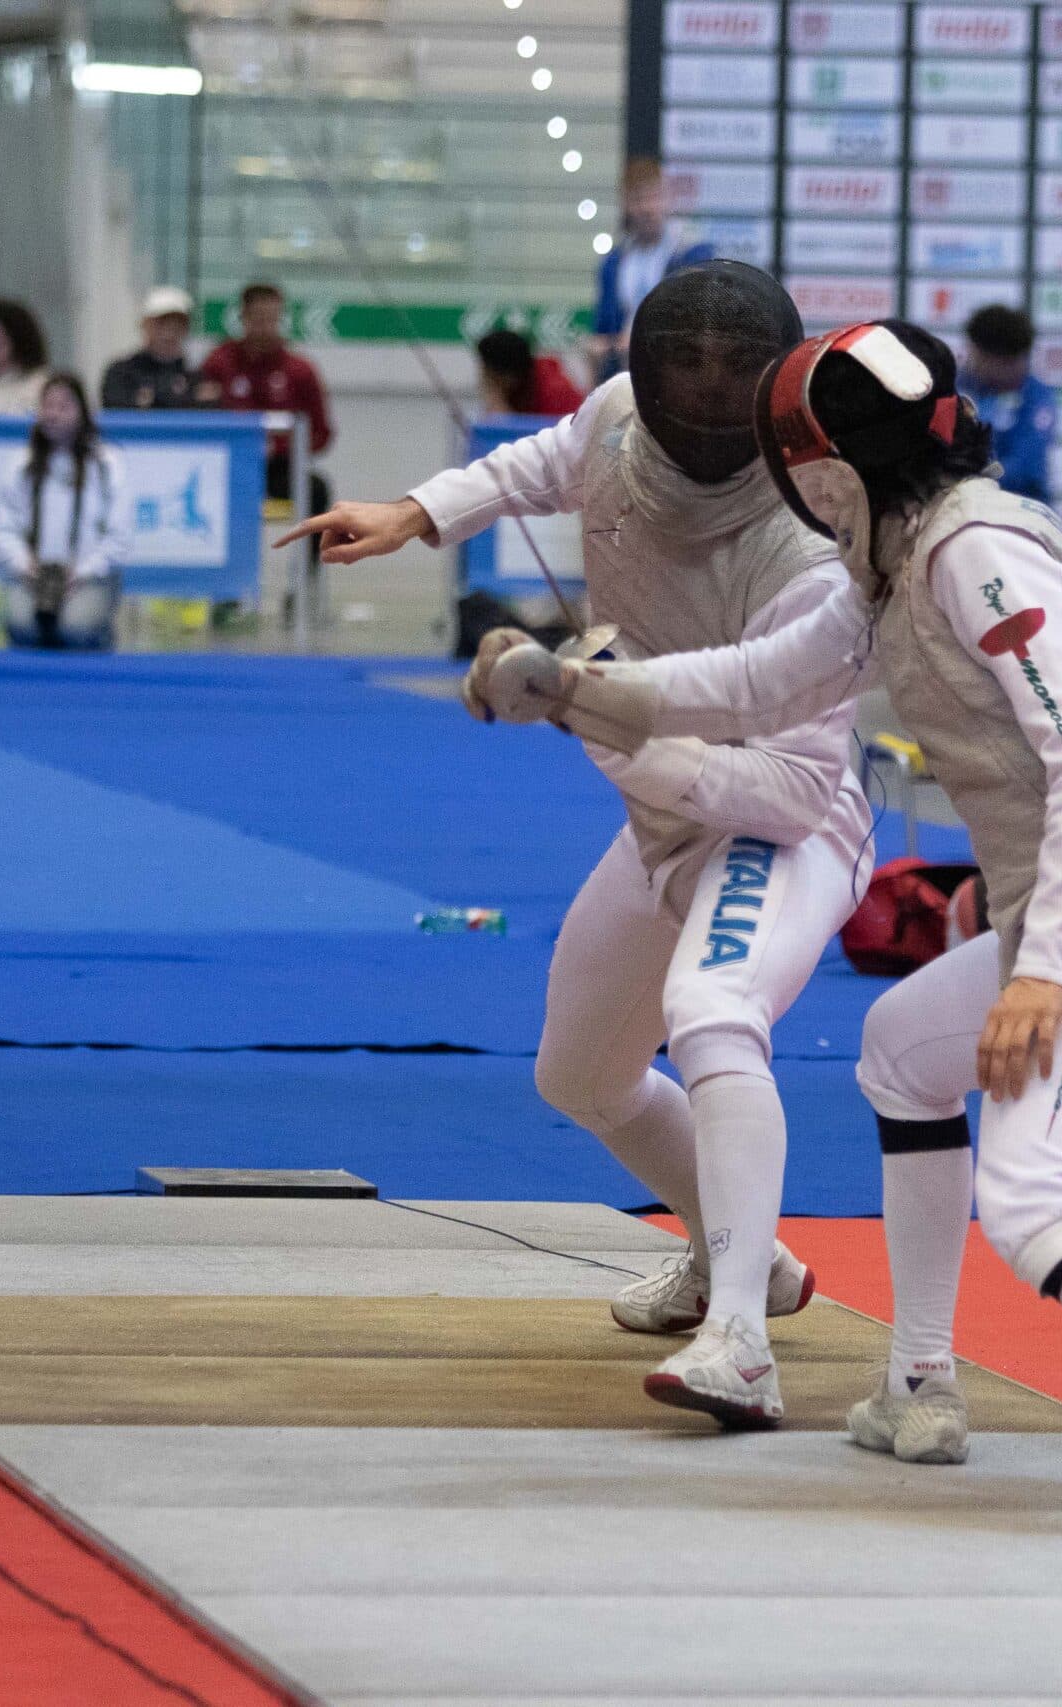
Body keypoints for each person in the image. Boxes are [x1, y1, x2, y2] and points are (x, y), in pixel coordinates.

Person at [469, 319, 1062, 1552]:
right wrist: (569, 687)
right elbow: (748, 683)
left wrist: (1040, 969)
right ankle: (918, 1382)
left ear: (826, 466)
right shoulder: (891, 567)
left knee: (1040, 1198)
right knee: (900, 1046)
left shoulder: (980, 553)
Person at [279, 263, 867, 1427]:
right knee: (580, 1073)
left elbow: (794, 795)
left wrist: (576, 703)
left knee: (711, 1015)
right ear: (644, 382)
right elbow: (535, 463)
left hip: (780, 828)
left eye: (725, 381)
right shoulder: (613, 423)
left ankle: (742, 1339)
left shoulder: (806, 548)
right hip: (665, 819)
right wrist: (414, 514)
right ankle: (745, 1258)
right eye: (678, 375)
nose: (698, 399)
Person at [0, 372, 129, 650]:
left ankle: (99, 629)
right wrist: (23, 563)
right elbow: (4, 529)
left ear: (82, 413)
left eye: (64, 407)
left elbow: (120, 537)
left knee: (76, 629)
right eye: (48, 406)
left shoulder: (107, 464)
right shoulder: (21, 464)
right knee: (22, 627)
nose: (53, 414)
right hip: (33, 575)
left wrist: (84, 571)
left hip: (87, 576)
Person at [202, 282, 334, 533]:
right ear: (243, 318)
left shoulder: (300, 371)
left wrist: (281, 447)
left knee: (316, 490)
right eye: (258, 318)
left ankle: (310, 567)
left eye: (272, 318)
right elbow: (202, 420)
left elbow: (321, 433)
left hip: (281, 468)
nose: (265, 326)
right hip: (230, 464)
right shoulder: (219, 364)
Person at [589, 159, 716, 383]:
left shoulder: (693, 254)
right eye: (639, 200)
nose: (647, 208)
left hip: (675, 363)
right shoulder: (613, 263)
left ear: (669, 199)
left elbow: (698, 324)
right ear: (626, 205)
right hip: (621, 365)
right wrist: (604, 346)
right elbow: (602, 328)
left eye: (654, 198)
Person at [957, 304, 1055, 504]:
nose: (971, 361)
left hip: (1025, 511)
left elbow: (1026, 467)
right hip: (965, 508)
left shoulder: (1036, 396)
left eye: (975, 356)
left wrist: (969, 477)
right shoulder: (955, 389)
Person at [99, 286, 208, 411]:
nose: (169, 332)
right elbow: (115, 410)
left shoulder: (195, 378)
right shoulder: (121, 373)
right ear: (144, 325)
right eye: (160, 323)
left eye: (178, 325)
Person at [475, 326, 586, 418]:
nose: (484, 377)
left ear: (506, 376)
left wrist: (497, 403)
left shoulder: (555, 391)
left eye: (488, 373)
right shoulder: (513, 388)